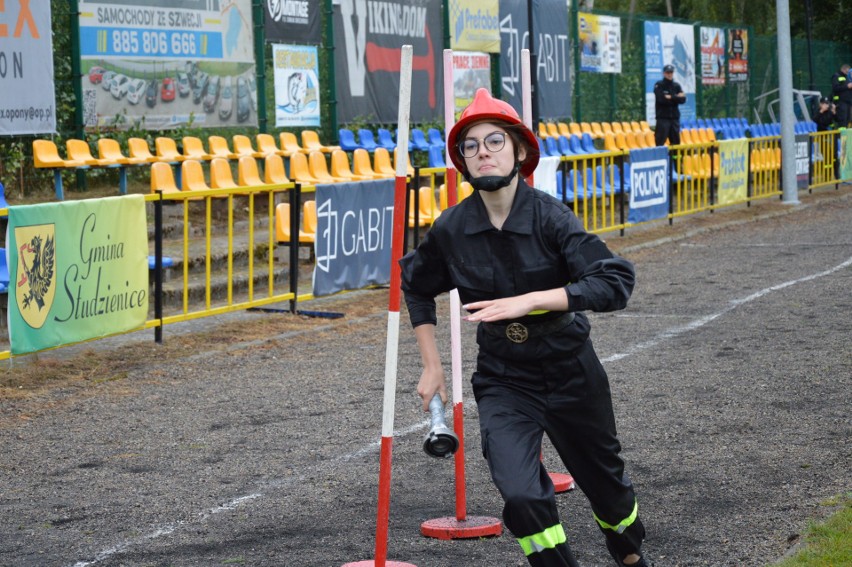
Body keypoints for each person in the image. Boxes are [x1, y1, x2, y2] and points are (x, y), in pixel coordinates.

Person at [399, 88, 648, 567]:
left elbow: (615, 281)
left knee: (609, 492)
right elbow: (416, 285)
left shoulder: (550, 218)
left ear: (519, 151)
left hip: (571, 369)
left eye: (494, 141)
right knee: (520, 495)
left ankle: (627, 548)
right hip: (504, 378)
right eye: (470, 146)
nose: (482, 152)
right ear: (462, 162)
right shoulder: (451, 228)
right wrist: (432, 367)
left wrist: (533, 300)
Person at [654, 64, 686, 147]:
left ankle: (675, 160)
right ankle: (660, 159)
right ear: (664, 73)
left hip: (674, 119)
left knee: (675, 143)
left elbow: (683, 100)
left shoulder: (676, 86)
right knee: (660, 141)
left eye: (671, 72)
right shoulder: (659, 85)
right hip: (663, 119)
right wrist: (676, 98)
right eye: (667, 72)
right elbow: (661, 99)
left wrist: (671, 97)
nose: (669, 74)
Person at [831, 64, 852, 128]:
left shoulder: (847, 78)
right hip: (841, 102)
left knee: (847, 120)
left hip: (848, 102)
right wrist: (847, 86)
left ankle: (845, 136)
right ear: (843, 69)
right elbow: (835, 88)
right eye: (847, 71)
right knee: (842, 120)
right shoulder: (836, 76)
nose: (848, 73)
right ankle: (839, 137)